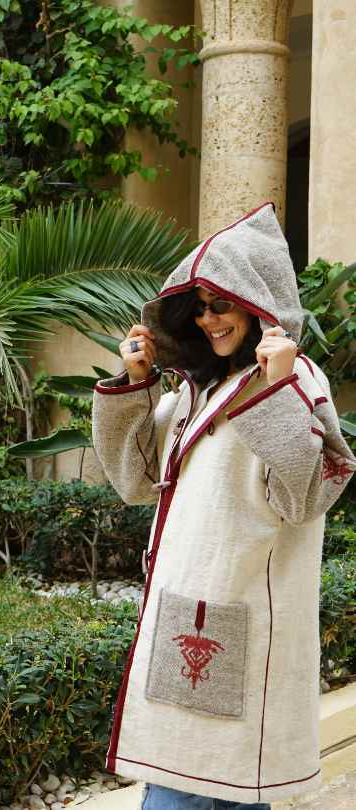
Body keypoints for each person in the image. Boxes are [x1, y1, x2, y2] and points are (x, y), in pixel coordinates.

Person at [91, 202, 355, 809]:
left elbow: (307, 495)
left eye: (224, 305)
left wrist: (279, 387)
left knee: (199, 789)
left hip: (243, 613)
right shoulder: (196, 391)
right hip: (190, 612)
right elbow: (135, 480)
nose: (211, 320)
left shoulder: (297, 380)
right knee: (220, 786)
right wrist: (135, 384)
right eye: (200, 307)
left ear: (258, 306)